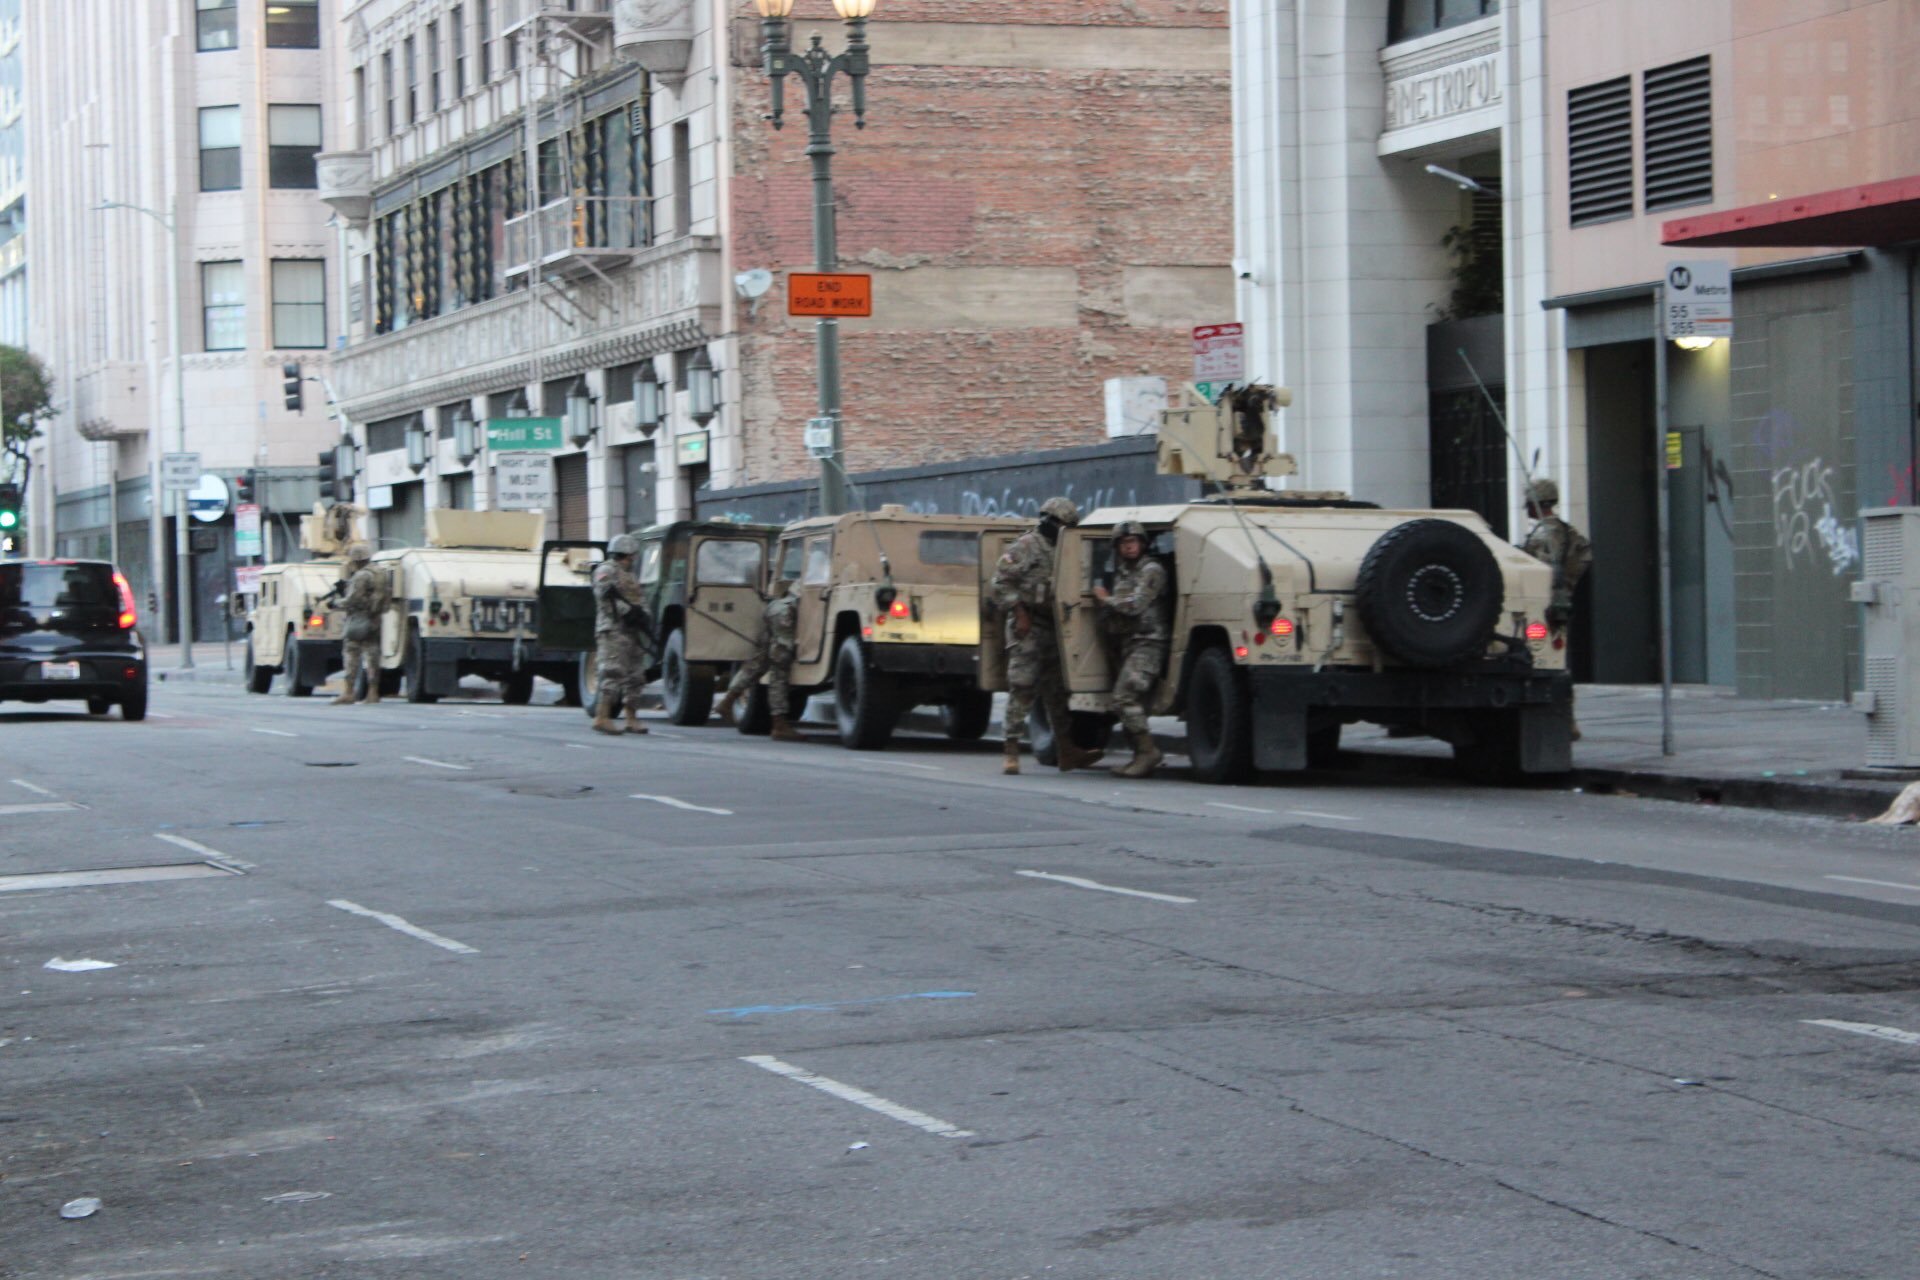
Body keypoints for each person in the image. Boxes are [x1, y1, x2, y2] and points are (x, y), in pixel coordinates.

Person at [992, 496, 1105, 776]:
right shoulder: (1027, 546)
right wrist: (1019, 612)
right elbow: (1000, 582)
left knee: (1057, 691)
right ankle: (1011, 749)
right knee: (1023, 684)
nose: (1052, 526)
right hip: (1027, 622)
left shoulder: (1069, 549)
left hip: (1055, 624)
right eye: (1051, 521)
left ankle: (1066, 750)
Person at [1092, 520, 1168, 778]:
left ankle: (1148, 753)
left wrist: (1105, 599)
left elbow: (1136, 605)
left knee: (1124, 697)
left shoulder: (1152, 570)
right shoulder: (1123, 571)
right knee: (1133, 703)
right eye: (1124, 543)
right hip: (1129, 643)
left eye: (1133, 542)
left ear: (1142, 544)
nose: (1129, 547)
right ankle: (1139, 756)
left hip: (1149, 643)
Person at [1521, 477, 1592, 740]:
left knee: (1544, 661)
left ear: (1536, 504)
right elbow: (1584, 556)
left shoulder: (1543, 534)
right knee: (1559, 660)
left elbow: (1539, 570)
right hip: (1560, 602)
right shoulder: (1565, 530)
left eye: (1528, 503)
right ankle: (1568, 718)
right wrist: (1568, 586)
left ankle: (1564, 719)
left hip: (1543, 607)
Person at [715, 575, 801, 741]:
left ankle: (727, 700)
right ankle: (779, 724)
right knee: (779, 670)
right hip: (786, 613)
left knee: (757, 663)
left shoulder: (809, 570)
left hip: (775, 608)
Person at [592, 533, 651, 736]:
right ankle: (602, 716)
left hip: (632, 632)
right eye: (632, 554)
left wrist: (644, 616)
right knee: (613, 672)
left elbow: (639, 598)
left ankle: (631, 717)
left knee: (636, 675)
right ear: (626, 552)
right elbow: (605, 599)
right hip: (613, 630)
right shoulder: (606, 570)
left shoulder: (630, 575)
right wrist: (628, 612)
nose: (634, 558)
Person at [332, 542, 388, 706]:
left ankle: (349, 692)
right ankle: (373, 692)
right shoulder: (380, 573)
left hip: (359, 619)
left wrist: (336, 603)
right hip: (375, 618)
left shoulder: (361, 576)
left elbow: (353, 599)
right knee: (372, 655)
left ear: (356, 560)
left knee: (351, 652)